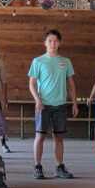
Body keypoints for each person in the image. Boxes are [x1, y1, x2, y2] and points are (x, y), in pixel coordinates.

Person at [28, 29, 78, 179]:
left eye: (55, 41)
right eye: (50, 41)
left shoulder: (66, 61)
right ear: (45, 43)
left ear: (60, 43)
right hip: (43, 105)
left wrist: (74, 103)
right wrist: (37, 100)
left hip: (61, 104)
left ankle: (59, 167)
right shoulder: (38, 61)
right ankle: (37, 166)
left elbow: (71, 84)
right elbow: (31, 84)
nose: (53, 43)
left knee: (59, 138)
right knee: (40, 136)